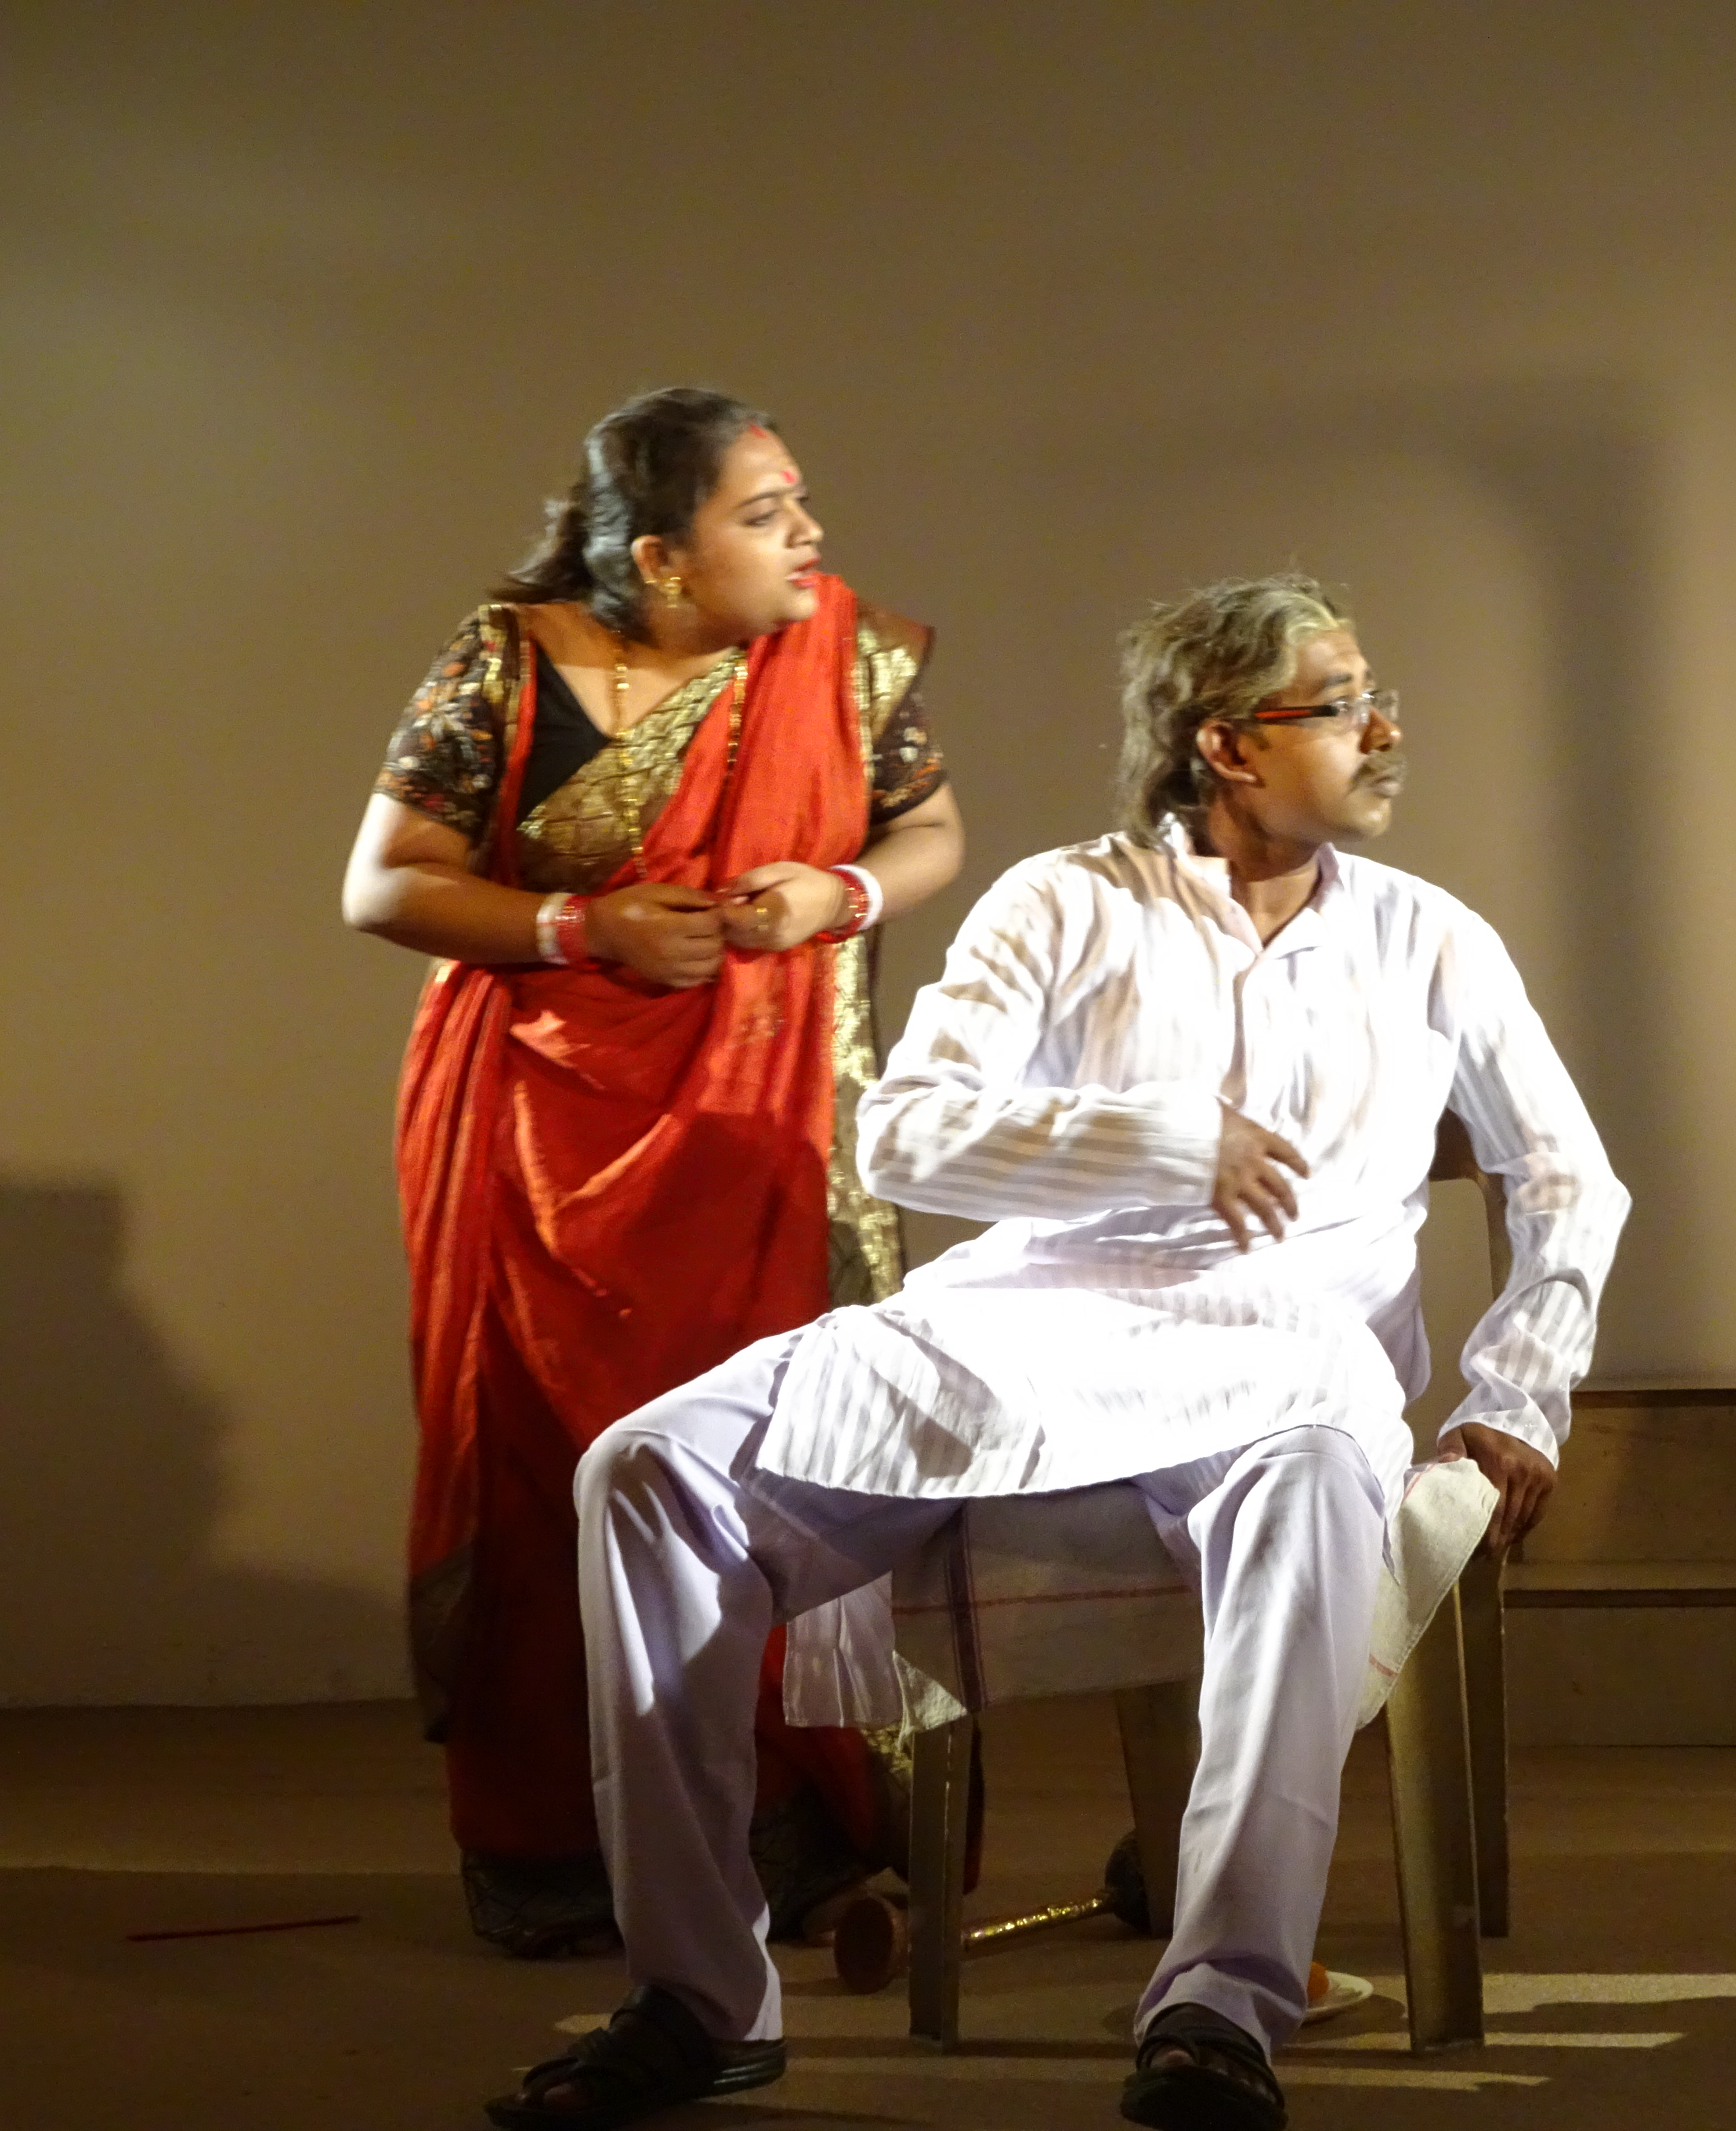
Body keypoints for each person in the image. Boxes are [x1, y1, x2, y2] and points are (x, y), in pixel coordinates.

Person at [483, 574, 1626, 2130]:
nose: (1384, 731)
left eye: (1378, 699)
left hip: (1286, 1357)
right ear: (1227, 744)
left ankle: (1220, 2004)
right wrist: (1161, 1140)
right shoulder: (1062, 902)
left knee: (1308, 1499)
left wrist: (1518, 1397)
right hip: (1017, 1330)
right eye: (1344, 703)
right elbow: (907, 1136)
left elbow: (1565, 1176)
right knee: (647, 1471)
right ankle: (697, 1999)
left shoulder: (1432, 938)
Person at [343, 388, 967, 1953]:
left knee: (777, 1467)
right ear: (660, 559)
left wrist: (834, 895)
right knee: (545, 1486)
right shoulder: (508, 661)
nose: (808, 536)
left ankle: (790, 1838)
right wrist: (583, 926)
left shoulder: (841, 656)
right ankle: (554, 1854)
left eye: (798, 502)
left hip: (759, 1135)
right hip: (531, 1147)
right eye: (764, 514)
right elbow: (384, 885)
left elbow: (930, 833)